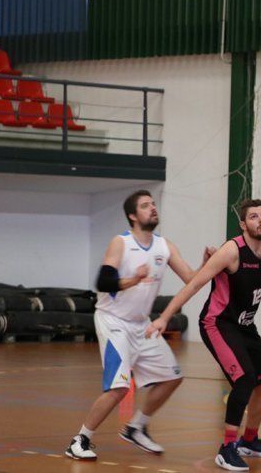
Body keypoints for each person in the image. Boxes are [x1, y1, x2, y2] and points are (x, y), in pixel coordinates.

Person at [147, 199, 261, 472]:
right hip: (217, 323)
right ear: (243, 224)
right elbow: (194, 285)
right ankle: (227, 448)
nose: (260, 220)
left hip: (244, 325)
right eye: (253, 217)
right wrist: (165, 316)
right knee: (245, 379)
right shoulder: (231, 251)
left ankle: (250, 440)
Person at [66, 190, 212, 461]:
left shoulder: (164, 246)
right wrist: (132, 280)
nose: (152, 208)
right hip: (114, 322)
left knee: (172, 377)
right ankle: (80, 438)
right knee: (120, 388)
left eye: (153, 204)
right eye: (145, 206)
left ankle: (136, 426)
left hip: (141, 324)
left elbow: (191, 278)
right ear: (133, 216)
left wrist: (206, 264)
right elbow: (103, 282)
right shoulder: (121, 243)